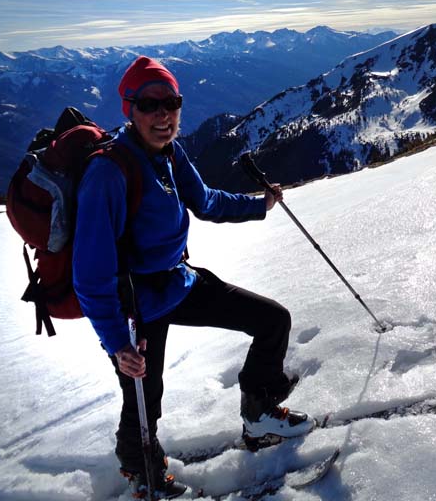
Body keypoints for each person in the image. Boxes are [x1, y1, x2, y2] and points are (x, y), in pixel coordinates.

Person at [73, 56, 314, 500]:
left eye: (172, 102)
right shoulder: (109, 173)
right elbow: (90, 276)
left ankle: (259, 413)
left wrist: (257, 206)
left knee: (271, 320)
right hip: (136, 306)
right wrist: (117, 343)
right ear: (130, 109)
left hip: (178, 282)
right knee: (146, 397)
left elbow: (204, 201)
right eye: (150, 104)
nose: (163, 114)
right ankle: (140, 468)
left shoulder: (169, 153)